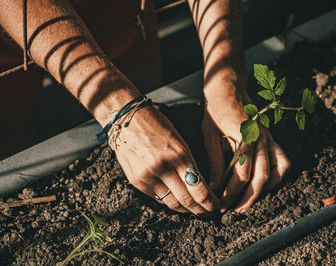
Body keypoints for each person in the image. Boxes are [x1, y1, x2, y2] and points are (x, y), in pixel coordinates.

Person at [0, 0, 291, 215]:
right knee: (18, 157)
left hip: (120, 16)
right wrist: (120, 109)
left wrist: (227, 80)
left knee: (140, 132)